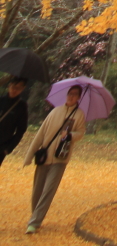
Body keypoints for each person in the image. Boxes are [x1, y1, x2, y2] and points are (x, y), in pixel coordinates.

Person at [22, 83, 87, 233]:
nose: (71, 97)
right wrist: (29, 155)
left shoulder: (79, 115)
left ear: (79, 97)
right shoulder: (54, 112)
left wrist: (70, 135)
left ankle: (34, 222)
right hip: (45, 156)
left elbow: (81, 132)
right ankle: (35, 215)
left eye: (75, 94)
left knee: (48, 190)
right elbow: (40, 134)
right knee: (37, 190)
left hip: (60, 158)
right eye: (70, 94)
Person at [0, 78, 29, 166]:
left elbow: (21, 129)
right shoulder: (1, 100)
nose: (14, 90)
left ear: (23, 89)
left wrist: (8, 148)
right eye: (13, 86)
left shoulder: (22, 106)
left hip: (2, 145)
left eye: (18, 88)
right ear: (9, 85)